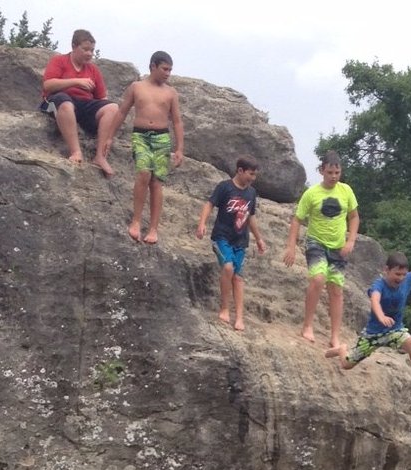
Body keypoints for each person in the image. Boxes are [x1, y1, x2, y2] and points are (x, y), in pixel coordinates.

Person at [325, 233, 411, 397]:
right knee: (346, 364)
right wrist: (380, 317)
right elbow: (375, 300)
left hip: (394, 330)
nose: (400, 278)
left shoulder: (407, 280)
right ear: (386, 270)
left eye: (403, 274)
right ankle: (341, 350)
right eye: (397, 274)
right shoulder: (378, 285)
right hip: (373, 334)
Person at [282, 151, 359, 349]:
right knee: (318, 278)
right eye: (330, 172)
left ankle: (335, 335)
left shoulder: (346, 191)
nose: (334, 176)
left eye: (337, 172)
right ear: (322, 171)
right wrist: (291, 246)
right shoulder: (312, 194)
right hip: (316, 242)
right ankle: (307, 326)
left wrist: (351, 240)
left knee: (336, 288)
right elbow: (297, 219)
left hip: (338, 246)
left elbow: (354, 216)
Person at [110, 52, 184, 244]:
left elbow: (176, 121)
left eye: (170, 70)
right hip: (141, 135)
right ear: (153, 66)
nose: (168, 73)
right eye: (164, 69)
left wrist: (179, 149)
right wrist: (109, 137)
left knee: (157, 182)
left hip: (162, 137)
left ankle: (153, 228)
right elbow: (122, 111)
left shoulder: (171, 92)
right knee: (143, 173)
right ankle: (136, 221)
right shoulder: (137, 87)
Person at [196, 157, 266, 330]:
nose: (252, 178)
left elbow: (250, 216)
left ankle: (240, 317)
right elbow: (209, 204)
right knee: (228, 267)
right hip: (222, 237)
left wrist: (259, 239)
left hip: (241, 241)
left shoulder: (251, 193)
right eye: (250, 174)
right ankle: (225, 308)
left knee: (239, 277)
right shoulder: (225, 187)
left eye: (255, 175)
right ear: (240, 171)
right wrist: (202, 224)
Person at [39, 29, 119, 175]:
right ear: (74, 46)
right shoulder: (59, 61)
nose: (89, 53)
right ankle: (76, 152)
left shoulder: (93, 70)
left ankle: (100, 157)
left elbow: (102, 99)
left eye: (92, 50)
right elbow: (48, 85)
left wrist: (109, 133)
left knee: (113, 108)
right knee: (66, 103)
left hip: (84, 104)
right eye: (85, 49)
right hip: (58, 99)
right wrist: (76, 82)